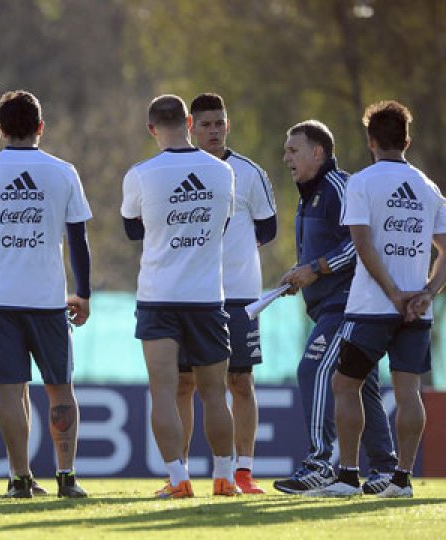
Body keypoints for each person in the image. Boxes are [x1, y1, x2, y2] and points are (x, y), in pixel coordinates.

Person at [306, 101, 446, 498]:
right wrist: (426, 293)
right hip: (416, 311)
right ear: (407, 140)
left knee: (344, 385)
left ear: (370, 141)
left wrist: (392, 293)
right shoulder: (427, 187)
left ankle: (348, 476)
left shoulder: (362, 183)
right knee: (409, 392)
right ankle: (401, 479)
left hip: (371, 307)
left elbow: (362, 244)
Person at [0, 89, 91, 498]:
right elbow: (78, 240)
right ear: (40, 127)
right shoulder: (63, 171)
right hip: (49, 299)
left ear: (0, 129)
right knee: (60, 389)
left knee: (10, 390)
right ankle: (66, 477)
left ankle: (19, 479)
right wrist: (83, 292)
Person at [121, 94, 238, 499]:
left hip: (158, 297)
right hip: (207, 297)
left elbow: (133, 230)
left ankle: (177, 479)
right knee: (214, 393)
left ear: (152, 129)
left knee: (165, 391)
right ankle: (224, 478)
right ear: (189, 122)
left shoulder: (140, 174)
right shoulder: (221, 171)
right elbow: (221, 225)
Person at [272, 120, 398, 494]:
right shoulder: (310, 192)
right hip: (330, 304)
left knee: (312, 368)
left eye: (293, 150)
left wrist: (314, 269)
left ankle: (319, 464)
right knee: (363, 387)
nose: (286, 158)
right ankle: (386, 470)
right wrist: (302, 275)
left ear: (317, 152)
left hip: (347, 306)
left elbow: (359, 244)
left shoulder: (339, 187)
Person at [176, 93, 276, 494]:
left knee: (240, 381)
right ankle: (178, 475)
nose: (214, 130)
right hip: (188, 294)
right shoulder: (176, 171)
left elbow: (267, 231)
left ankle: (243, 472)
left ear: (227, 125)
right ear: (190, 128)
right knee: (184, 384)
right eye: (206, 124)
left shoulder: (250, 173)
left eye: (220, 123)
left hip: (238, 296)